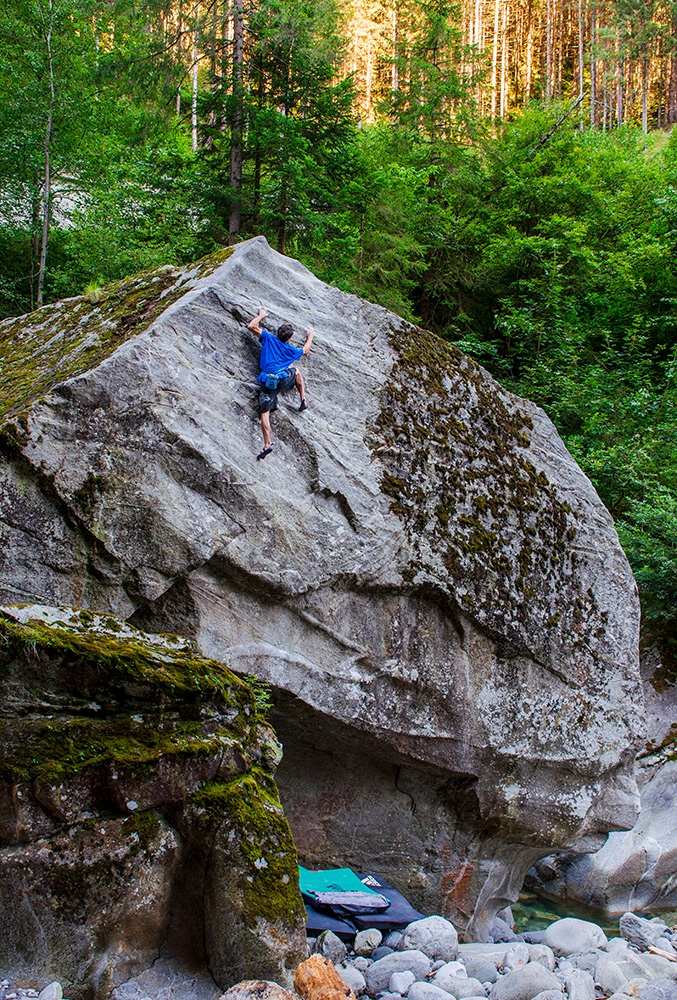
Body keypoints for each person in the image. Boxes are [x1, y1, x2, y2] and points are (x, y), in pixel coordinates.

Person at [247, 306, 314, 460]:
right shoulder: (290, 349)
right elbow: (305, 350)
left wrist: (261, 315)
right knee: (296, 371)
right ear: (289, 338)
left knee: (264, 413)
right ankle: (303, 399)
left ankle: (267, 443)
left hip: (267, 382)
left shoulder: (268, 338)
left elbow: (251, 326)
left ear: (278, 333)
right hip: (283, 379)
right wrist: (310, 336)